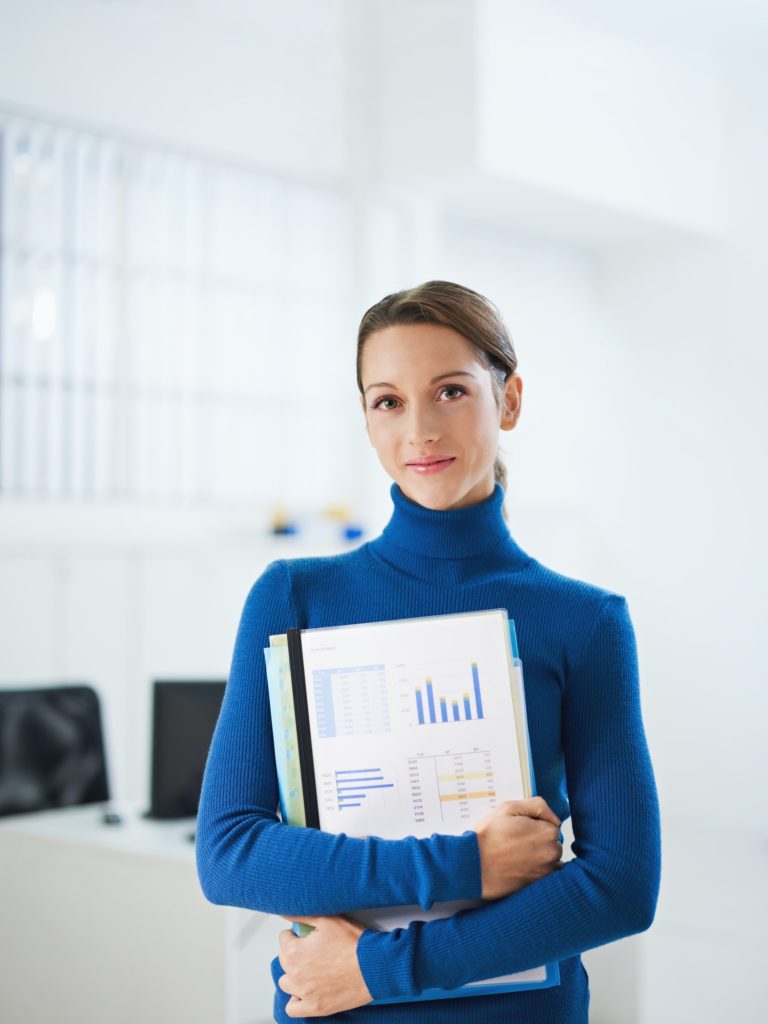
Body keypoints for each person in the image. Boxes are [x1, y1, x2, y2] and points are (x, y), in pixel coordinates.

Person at [196, 280, 661, 1023]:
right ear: (367, 419)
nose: (419, 429)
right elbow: (228, 853)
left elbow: (624, 884)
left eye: (449, 391)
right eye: (388, 401)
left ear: (508, 400)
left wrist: (383, 970)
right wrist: (468, 864)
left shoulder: (586, 620)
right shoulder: (294, 598)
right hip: (330, 1003)